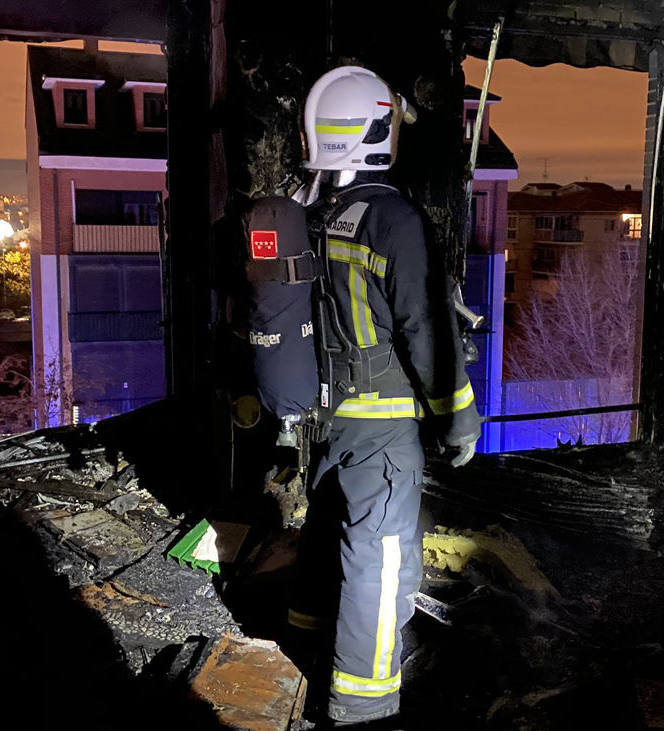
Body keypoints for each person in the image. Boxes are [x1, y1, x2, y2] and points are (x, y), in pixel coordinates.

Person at [287, 65, 481, 728]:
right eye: (391, 122)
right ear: (371, 131)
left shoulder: (318, 214)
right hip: (384, 423)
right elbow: (423, 328)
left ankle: (305, 637)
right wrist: (459, 417)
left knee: (326, 532)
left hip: (330, 416)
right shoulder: (391, 217)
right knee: (380, 554)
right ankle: (366, 705)